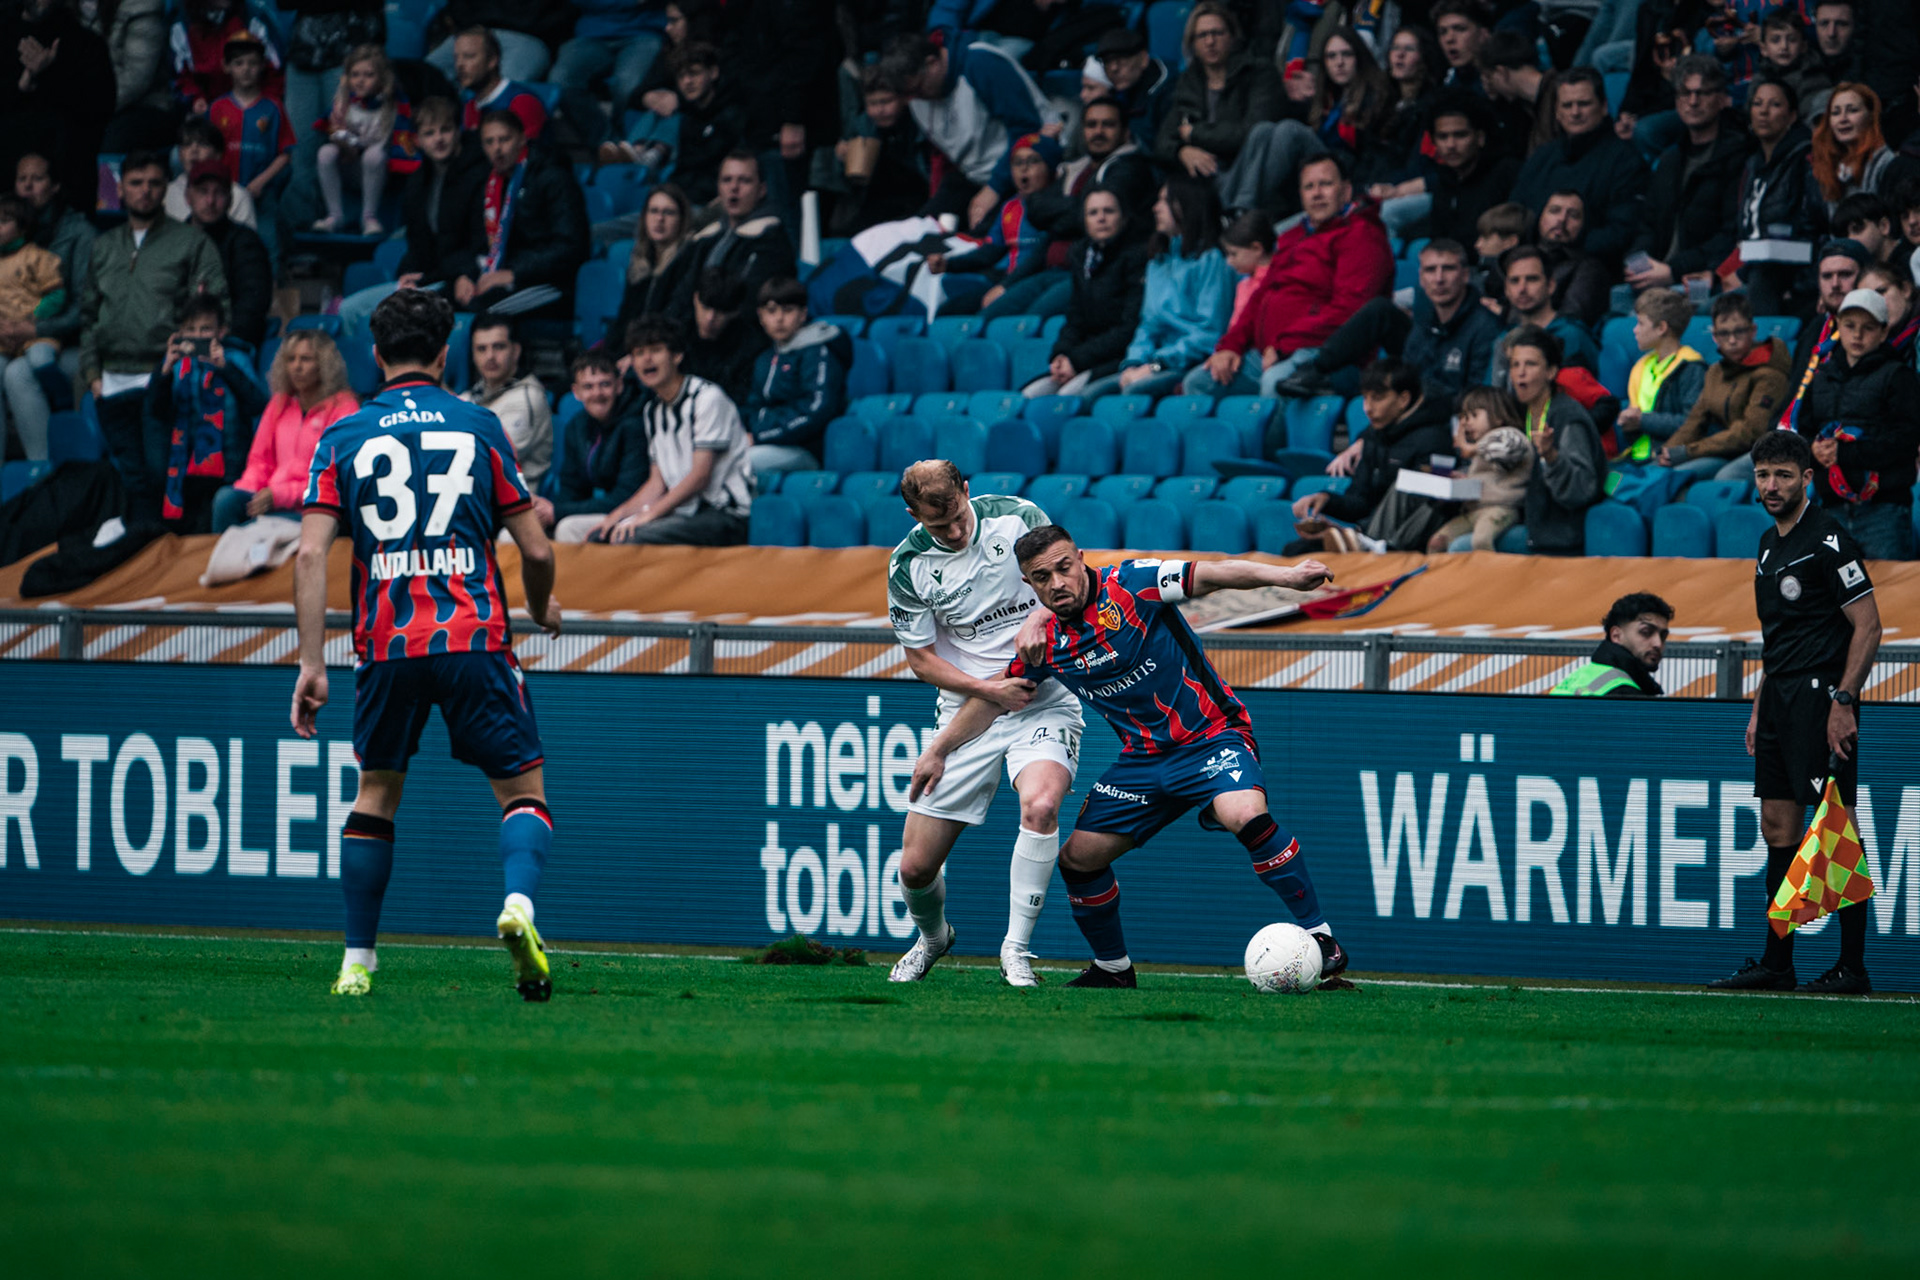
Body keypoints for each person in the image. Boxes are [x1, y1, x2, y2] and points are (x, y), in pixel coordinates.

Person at [908, 527, 1350, 990]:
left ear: (1081, 559)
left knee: (1244, 813)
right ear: (1029, 585)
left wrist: (1287, 576)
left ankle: (1322, 938)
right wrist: (938, 750)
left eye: (1064, 568)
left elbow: (1216, 573)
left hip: (1211, 737)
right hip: (1143, 761)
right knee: (1079, 860)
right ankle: (1113, 969)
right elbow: (994, 699)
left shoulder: (1134, 582)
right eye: (1042, 577)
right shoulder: (1044, 642)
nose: (1057, 582)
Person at [291, 286, 562, 1000]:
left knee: (375, 795)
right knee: (522, 792)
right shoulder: (480, 427)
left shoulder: (342, 435)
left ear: (375, 357)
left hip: (385, 645)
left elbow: (311, 557)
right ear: (446, 354)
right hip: (472, 634)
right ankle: (518, 908)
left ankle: (357, 961)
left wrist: (312, 662)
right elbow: (534, 546)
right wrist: (540, 606)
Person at [879, 461, 1083, 987]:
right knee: (915, 869)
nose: (954, 531)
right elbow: (922, 661)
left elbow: (1064, 580)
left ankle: (1016, 950)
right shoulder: (908, 565)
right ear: (912, 514)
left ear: (967, 491)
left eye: (957, 516)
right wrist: (988, 690)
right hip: (969, 710)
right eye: (937, 525)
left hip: (1042, 697)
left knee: (1041, 805)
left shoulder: (1016, 519)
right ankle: (933, 938)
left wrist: (1041, 619)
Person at [1706, 429, 1880, 994]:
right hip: (1780, 699)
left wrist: (1844, 700)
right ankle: (1777, 962)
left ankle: (1853, 967)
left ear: (1807, 478)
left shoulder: (1829, 541)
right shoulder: (1766, 543)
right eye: (1763, 476)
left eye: (1783, 475)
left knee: (1836, 830)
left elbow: (1869, 626)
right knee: (1777, 826)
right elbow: (1778, 637)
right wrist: (1760, 705)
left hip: (1821, 698)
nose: (1771, 485)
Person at [81, 151, 229, 523]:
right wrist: (92, 377)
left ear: (166, 189)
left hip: (163, 376)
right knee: (128, 480)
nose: (144, 191)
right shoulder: (103, 246)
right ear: (120, 188)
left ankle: (156, 559)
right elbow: (87, 316)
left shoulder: (190, 242)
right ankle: (133, 558)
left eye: (153, 183)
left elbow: (215, 309)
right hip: (111, 378)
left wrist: (183, 363)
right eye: (135, 183)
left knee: (158, 476)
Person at [1183, 154, 1392, 399]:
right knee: (1199, 382)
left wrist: (1284, 346)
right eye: (1309, 187)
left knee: (1275, 382)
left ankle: (1273, 440)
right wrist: (1230, 347)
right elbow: (1260, 298)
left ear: (1345, 191)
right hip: (1269, 353)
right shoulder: (1292, 237)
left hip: (1325, 358)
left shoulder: (1362, 236)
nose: (1317, 193)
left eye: (1325, 184)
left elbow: (1351, 310)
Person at [1277, 238, 1503, 406]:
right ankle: (1317, 370)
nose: (1439, 279)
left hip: (1449, 418)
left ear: (1465, 275)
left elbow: (1475, 399)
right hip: (1419, 409)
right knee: (1379, 310)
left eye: (1448, 269)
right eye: (1431, 270)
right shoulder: (1424, 319)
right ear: (1421, 279)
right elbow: (1411, 374)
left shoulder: (1484, 327)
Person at [592, 315, 751, 546]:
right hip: (684, 513)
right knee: (603, 536)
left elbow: (700, 477)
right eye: (638, 353)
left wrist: (650, 515)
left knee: (633, 538)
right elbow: (657, 484)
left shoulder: (707, 398)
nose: (646, 359)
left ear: (676, 355)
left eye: (655, 350)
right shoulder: (652, 410)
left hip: (725, 515)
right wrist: (617, 516)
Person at [1155, 3, 1316, 218]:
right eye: (1202, 35)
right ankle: (1237, 209)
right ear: (1192, 43)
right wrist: (1181, 151)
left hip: (1251, 167)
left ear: (1232, 36)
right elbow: (1163, 141)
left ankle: (1238, 209)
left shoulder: (1259, 73)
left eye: (1217, 33)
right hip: (1212, 177)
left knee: (1269, 132)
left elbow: (1250, 133)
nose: (1210, 41)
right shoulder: (1189, 83)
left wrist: (1195, 134)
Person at [1795, 287, 1920, 558]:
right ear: (1838, 326)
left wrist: (1846, 453)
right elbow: (1803, 432)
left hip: (1884, 510)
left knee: (1891, 594)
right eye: (1849, 325)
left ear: (1884, 332)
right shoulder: (1821, 376)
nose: (1858, 334)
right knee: (1836, 595)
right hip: (1832, 507)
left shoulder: (1898, 375)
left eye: (1868, 327)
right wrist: (1813, 453)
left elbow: (1906, 439)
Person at [881, 31, 1050, 230]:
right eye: (908, 94)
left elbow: (1027, 129)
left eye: (917, 89)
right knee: (919, 230)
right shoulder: (917, 95)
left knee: (981, 237)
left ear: (932, 63)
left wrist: (994, 188)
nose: (915, 99)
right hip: (971, 177)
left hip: (1020, 171)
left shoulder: (981, 65)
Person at [1085, 178, 1232, 401]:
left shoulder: (1212, 260)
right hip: (1154, 362)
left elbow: (1209, 334)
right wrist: (1134, 363)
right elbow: (1148, 325)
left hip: (1188, 363)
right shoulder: (1158, 260)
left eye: (1164, 200)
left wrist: (1155, 366)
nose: (1155, 208)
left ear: (1187, 205)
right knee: (1089, 396)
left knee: (1134, 393)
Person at [1289, 357, 1457, 553]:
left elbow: (1428, 511)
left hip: (1402, 547)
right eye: (1365, 398)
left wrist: (1359, 536)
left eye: (1377, 398)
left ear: (1403, 399)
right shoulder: (1373, 438)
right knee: (1297, 550)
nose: (1367, 408)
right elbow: (1360, 501)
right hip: (1370, 536)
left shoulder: (1434, 440)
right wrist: (1326, 500)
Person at [140, 295, 269, 529]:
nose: (198, 336)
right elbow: (156, 411)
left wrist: (226, 369)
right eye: (191, 330)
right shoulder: (176, 366)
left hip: (229, 466)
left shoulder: (236, 359)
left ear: (222, 331)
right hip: (184, 469)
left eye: (205, 329)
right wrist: (164, 371)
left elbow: (258, 404)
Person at [213, 328, 357, 531]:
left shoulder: (344, 408)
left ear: (323, 365)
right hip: (273, 496)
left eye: (306, 359)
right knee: (226, 500)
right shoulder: (279, 403)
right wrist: (251, 493)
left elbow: (334, 478)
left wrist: (280, 495)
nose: (297, 367)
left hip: (316, 507)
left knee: (260, 529)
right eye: (291, 359)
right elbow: (260, 460)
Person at [1625, 56, 1748, 294]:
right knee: (1618, 298)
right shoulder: (1670, 161)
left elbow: (1729, 236)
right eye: (1685, 93)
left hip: (1702, 280)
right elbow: (1646, 226)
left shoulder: (1738, 158)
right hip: (1659, 275)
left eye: (1703, 93)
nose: (1693, 101)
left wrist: (1673, 270)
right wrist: (1639, 266)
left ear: (1722, 99)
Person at [455, 110, 590, 315]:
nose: (497, 149)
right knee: (444, 303)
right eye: (489, 142)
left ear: (522, 138)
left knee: (484, 314)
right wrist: (465, 275)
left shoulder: (552, 177)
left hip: (550, 282)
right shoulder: (488, 183)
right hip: (502, 275)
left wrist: (514, 273)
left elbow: (570, 247)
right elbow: (475, 243)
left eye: (504, 139)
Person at [1511, 68, 1650, 261]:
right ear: (1557, 113)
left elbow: (1622, 231)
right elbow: (1515, 214)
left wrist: (1563, 248)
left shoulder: (1626, 161)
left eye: (1583, 104)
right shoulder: (1541, 157)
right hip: (1531, 264)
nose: (1575, 112)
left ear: (1603, 107)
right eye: (1567, 105)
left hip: (1591, 267)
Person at [1022, 188, 1149, 399]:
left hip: (1118, 356)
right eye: (1093, 213)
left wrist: (1077, 360)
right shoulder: (1082, 256)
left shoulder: (1137, 257)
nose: (1101, 218)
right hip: (1082, 356)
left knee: (1067, 398)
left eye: (1109, 211)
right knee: (1030, 396)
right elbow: (1075, 318)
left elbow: (1129, 328)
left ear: (1124, 218)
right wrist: (1061, 354)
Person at [6, 154, 92, 457]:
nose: (28, 186)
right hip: (14, 338)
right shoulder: (8, 234)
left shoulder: (78, 233)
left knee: (19, 372)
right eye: (22, 179)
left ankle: (42, 471)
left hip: (69, 346)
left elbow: (84, 309)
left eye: (37, 179)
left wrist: (35, 327)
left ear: (54, 186)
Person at [1659, 292, 1790, 480]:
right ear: (1714, 336)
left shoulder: (1770, 374)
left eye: (1739, 331)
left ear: (1753, 331)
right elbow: (1695, 421)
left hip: (1762, 450)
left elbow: (1751, 432)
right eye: (1724, 333)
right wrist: (1668, 452)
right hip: (1725, 448)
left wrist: (1689, 451)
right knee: (1660, 470)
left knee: (1718, 476)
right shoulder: (1715, 372)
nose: (1732, 340)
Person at [929, 132, 1062, 316]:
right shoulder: (1009, 207)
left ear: (1051, 167)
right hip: (1003, 280)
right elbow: (989, 252)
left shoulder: (1059, 205)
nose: (1024, 169)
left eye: (1033, 161)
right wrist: (948, 264)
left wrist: (1005, 286)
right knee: (946, 314)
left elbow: (1041, 257)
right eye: (1017, 163)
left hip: (1034, 281)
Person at [1375, 95, 1520, 250]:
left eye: (1460, 135)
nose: (1451, 145)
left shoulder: (1506, 173)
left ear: (1480, 138)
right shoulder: (1445, 180)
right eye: (1443, 137)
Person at [607, 42, 741, 206]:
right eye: (681, 76)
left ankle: (648, 157)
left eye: (694, 74)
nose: (687, 82)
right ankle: (637, 152)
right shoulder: (688, 115)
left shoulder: (732, 115)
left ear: (713, 72)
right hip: (677, 201)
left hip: (707, 206)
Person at [1733, 75, 1823, 316]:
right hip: (1752, 274)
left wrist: (1798, 287)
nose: (1763, 112)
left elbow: (1816, 229)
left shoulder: (1805, 160)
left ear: (1792, 116)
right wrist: (1726, 272)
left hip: (1788, 279)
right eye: (1757, 104)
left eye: (1774, 104)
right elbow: (1745, 234)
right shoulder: (1752, 165)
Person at [1510, 325, 1603, 555]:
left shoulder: (1568, 418)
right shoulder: (1517, 413)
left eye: (1530, 364)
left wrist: (1552, 457)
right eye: (1515, 365)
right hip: (1530, 527)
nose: (1520, 372)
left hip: (1562, 539)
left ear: (1551, 372)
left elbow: (1582, 489)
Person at [742, 277, 850, 474]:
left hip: (805, 449)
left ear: (803, 314)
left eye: (788, 310)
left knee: (741, 462)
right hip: (765, 441)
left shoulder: (818, 353)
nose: (779, 318)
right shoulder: (765, 359)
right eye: (772, 311)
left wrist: (760, 436)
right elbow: (753, 407)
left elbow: (816, 410)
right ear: (761, 316)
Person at [543, 351, 651, 543]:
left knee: (568, 529)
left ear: (619, 385)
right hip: (607, 510)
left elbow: (625, 496)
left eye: (605, 384)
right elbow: (571, 488)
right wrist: (548, 514)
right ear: (576, 392)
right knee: (513, 534)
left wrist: (558, 512)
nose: (597, 393)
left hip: (633, 512)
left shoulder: (634, 424)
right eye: (588, 386)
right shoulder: (577, 426)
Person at [674, 153, 797, 316]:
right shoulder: (706, 239)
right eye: (727, 180)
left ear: (761, 190)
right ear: (718, 188)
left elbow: (750, 306)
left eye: (744, 180)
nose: (734, 187)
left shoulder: (773, 243)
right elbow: (681, 296)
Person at [208, 34, 294, 251]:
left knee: (267, 244)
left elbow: (285, 153)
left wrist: (261, 182)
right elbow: (208, 151)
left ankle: (273, 283)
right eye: (238, 63)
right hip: (225, 191)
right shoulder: (217, 108)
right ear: (226, 67)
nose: (246, 69)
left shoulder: (273, 108)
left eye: (253, 63)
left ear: (263, 66)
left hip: (261, 192)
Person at [313, 44, 408, 236]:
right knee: (325, 152)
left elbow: (393, 145)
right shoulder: (343, 102)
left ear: (382, 77)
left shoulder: (391, 105)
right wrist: (343, 141)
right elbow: (338, 138)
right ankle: (335, 215)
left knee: (373, 156)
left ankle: (369, 217)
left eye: (368, 75)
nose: (360, 81)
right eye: (355, 75)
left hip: (379, 169)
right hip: (350, 164)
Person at [1427, 385, 1533, 552]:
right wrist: (1463, 480)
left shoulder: (1509, 434)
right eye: (1464, 417)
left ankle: (1486, 577)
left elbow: (1508, 450)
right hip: (1473, 512)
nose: (1467, 422)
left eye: (1474, 415)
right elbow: (1486, 476)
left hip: (1501, 509)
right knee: (1437, 542)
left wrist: (1473, 448)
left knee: (1481, 540)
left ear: (1498, 417)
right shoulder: (1480, 447)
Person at [1778, 238, 1871, 430]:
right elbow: (1793, 393)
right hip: (1792, 435)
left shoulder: (1872, 331)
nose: (1835, 284)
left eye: (1845, 274)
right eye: (1827, 276)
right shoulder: (1814, 328)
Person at [830, 66, 931, 237]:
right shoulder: (863, 126)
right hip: (877, 200)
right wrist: (843, 160)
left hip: (916, 197)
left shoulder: (918, 123)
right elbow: (848, 184)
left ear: (903, 99)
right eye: (873, 103)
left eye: (886, 101)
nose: (879, 110)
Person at [0, 194, 64, 461]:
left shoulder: (37, 258)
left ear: (23, 227)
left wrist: (32, 320)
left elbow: (56, 296)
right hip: (4, 339)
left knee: (38, 361)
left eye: (4, 221)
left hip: (34, 336)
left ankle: (61, 407)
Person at [183, 162, 271, 348]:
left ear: (230, 199)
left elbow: (251, 308)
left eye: (219, 192)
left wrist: (222, 341)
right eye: (203, 191)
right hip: (174, 344)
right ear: (188, 196)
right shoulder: (173, 241)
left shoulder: (246, 243)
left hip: (227, 347)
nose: (210, 200)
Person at [460, 314, 552, 489]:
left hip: (517, 500)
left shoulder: (529, 397)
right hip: (477, 492)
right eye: (481, 349)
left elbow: (494, 457)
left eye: (499, 347)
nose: (490, 356)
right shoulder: (471, 395)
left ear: (516, 351)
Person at [1615, 288, 1707, 461]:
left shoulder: (1691, 368)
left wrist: (1642, 420)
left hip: (1667, 459)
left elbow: (1690, 423)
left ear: (1661, 328)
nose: (1635, 330)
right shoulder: (1642, 366)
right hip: (1637, 458)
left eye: (1641, 323)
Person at [1489, 244, 1599, 387]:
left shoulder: (1573, 335)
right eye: (1515, 281)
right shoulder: (1503, 339)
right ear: (1506, 289)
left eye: (1532, 279)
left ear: (1551, 285)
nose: (1522, 288)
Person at [1811, 83, 1919, 215]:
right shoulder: (1826, 166)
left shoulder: (1886, 163)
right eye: (1835, 113)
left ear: (1870, 116)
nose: (1843, 119)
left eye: (1852, 110)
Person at [611, 184, 696, 340]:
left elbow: (674, 320)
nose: (659, 219)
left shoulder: (688, 260)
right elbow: (624, 319)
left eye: (668, 213)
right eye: (653, 211)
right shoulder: (640, 261)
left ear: (682, 220)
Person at [551, 0, 667, 114]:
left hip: (646, 32)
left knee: (629, 87)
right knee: (561, 79)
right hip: (591, 34)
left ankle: (627, 131)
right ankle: (604, 133)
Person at [1549, 593, 1673, 696]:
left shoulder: (1583, 674)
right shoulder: (1624, 693)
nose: (1658, 643)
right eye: (1646, 632)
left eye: (1663, 636)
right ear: (1616, 635)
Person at [684, 270, 769, 409]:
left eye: (720, 312)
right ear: (695, 299)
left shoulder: (751, 347)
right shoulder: (677, 335)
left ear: (735, 312)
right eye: (705, 307)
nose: (710, 318)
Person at [428, 3, 564, 85]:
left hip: (525, 37)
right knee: (423, 75)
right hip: (474, 32)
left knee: (500, 88)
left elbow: (545, 16)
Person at [452, 27, 549, 139]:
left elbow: (529, 154)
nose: (459, 64)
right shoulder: (470, 106)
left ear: (492, 60)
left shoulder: (522, 103)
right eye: (456, 58)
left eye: (469, 56)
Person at [1533, 190, 1611, 328]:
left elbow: (1572, 317)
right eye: (1554, 211)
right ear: (1540, 216)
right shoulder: (1517, 257)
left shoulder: (1589, 269)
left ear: (1584, 224)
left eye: (1574, 215)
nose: (1562, 219)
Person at [167, 117, 260, 230]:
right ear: (180, 154)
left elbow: (245, 240)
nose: (194, 150)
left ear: (218, 154)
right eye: (187, 145)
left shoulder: (239, 195)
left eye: (203, 144)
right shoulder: (167, 192)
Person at [1095, 25, 1173, 150]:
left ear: (1143, 59)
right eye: (1107, 61)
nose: (1113, 68)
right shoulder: (1112, 93)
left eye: (1121, 59)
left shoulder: (1169, 90)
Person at [1758, 10, 1833, 119]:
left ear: (1803, 46)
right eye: (1776, 40)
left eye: (1792, 40)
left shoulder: (1814, 80)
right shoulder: (1760, 79)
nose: (1784, 46)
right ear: (1763, 49)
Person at [1832, 193, 1897, 263]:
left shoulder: (1908, 261)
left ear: (1884, 226)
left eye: (1857, 229)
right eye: (1844, 235)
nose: (1850, 239)